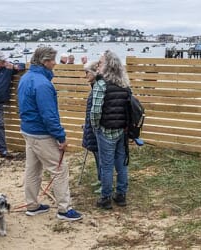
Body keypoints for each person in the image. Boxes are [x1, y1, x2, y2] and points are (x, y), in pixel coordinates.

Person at [17, 47, 83, 221]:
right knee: (60, 169)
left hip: (28, 130)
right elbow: (49, 115)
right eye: (52, 60)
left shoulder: (26, 78)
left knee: (33, 169)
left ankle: (32, 205)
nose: (55, 63)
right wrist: (60, 137)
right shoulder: (43, 84)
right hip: (41, 133)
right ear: (45, 61)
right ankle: (64, 209)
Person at [91, 50, 130, 209]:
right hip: (122, 130)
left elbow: (95, 111)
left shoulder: (101, 84)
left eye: (100, 62)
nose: (98, 65)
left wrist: (95, 127)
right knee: (121, 163)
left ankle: (105, 198)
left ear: (107, 65)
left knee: (106, 165)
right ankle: (121, 195)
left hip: (106, 130)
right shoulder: (125, 84)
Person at [82, 61, 100, 194]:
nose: (85, 75)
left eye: (87, 72)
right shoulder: (94, 87)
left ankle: (105, 182)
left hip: (96, 128)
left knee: (101, 157)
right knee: (96, 154)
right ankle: (101, 178)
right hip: (91, 127)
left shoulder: (98, 88)